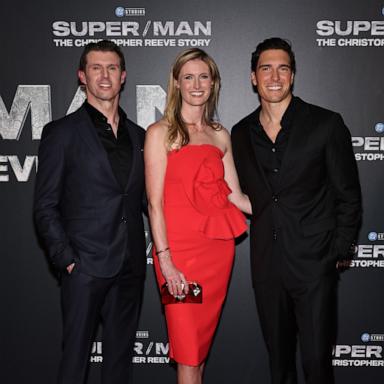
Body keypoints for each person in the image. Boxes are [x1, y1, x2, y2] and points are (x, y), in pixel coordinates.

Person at [231, 37, 362, 384]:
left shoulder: (326, 124)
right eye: (266, 68)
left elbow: (348, 195)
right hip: (266, 264)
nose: (275, 76)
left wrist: (337, 250)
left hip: (314, 264)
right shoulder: (241, 133)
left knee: (318, 363)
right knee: (279, 364)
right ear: (253, 77)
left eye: (283, 68)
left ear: (293, 75)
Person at [34, 40, 146, 384]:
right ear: (82, 76)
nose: (104, 75)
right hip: (84, 267)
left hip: (130, 266)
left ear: (123, 76)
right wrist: (67, 259)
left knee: (119, 363)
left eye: (112, 68)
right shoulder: (61, 133)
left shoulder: (140, 136)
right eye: (96, 68)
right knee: (75, 362)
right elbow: (45, 205)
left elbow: (149, 201)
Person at [144, 48, 251, 384]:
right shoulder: (160, 132)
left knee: (198, 354)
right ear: (176, 83)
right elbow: (154, 204)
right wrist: (166, 262)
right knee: (188, 353)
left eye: (203, 76)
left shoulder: (220, 134)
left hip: (216, 253)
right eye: (188, 77)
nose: (196, 84)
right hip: (178, 256)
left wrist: (289, 201)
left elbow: (236, 197)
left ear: (213, 83)